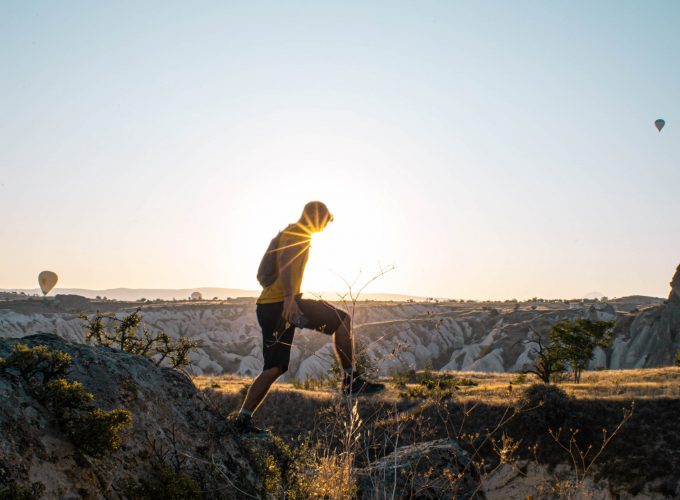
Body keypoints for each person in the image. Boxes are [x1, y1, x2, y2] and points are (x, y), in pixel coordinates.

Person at [234, 201, 384, 436]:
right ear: (316, 217)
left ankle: (242, 419)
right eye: (324, 222)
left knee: (276, 367)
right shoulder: (297, 234)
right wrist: (289, 299)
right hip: (279, 305)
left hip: (273, 305)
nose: (324, 227)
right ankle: (351, 381)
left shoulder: (292, 232)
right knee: (341, 320)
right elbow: (285, 262)